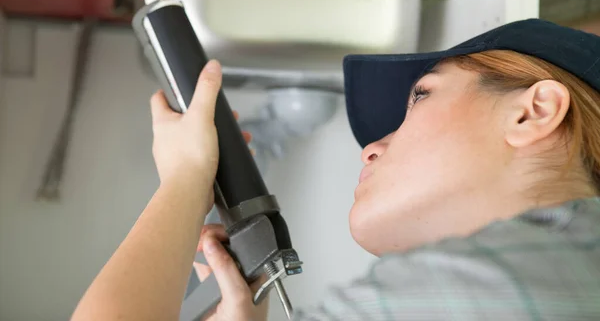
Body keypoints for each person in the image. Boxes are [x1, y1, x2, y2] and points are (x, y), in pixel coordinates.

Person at [72, 19, 600, 321]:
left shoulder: (479, 283)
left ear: (533, 112)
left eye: (420, 97)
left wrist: (186, 180)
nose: (370, 147)